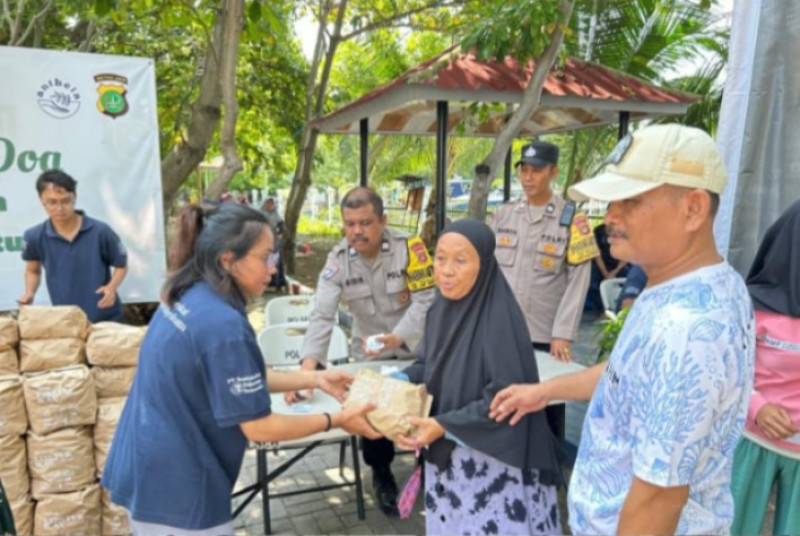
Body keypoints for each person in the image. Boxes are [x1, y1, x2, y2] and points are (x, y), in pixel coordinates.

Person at [490, 124, 755, 534]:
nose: (610, 216)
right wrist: (544, 392)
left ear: (694, 209)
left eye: (630, 200)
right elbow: (626, 372)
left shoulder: (684, 330)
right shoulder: (683, 284)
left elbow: (657, 500)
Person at [102, 202, 378, 535]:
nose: (272, 271)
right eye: (265, 258)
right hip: (179, 488)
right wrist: (337, 420)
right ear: (228, 260)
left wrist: (315, 377)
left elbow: (229, 379)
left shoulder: (186, 293)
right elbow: (259, 428)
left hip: (148, 466)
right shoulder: (223, 324)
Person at [395, 218, 563, 535]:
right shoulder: (439, 309)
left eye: (460, 260)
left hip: (493, 465)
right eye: (440, 258)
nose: (445, 270)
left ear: (483, 265)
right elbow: (427, 364)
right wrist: (397, 381)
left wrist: (442, 425)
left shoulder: (500, 320)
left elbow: (505, 399)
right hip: (447, 455)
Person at [290, 186, 436, 515]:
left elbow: (427, 299)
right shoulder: (338, 260)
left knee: (428, 405)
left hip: (416, 348)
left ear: (383, 220)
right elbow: (322, 314)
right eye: (349, 223)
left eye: (365, 222)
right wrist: (306, 371)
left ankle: (429, 467)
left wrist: (398, 337)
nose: (357, 231)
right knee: (370, 408)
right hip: (372, 355)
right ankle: (381, 472)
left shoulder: (410, 249)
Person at [489, 140, 596, 445]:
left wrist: (562, 332)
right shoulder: (504, 214)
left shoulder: (573, 219)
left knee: (549, 406)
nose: (528, 177)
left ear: (553, 172)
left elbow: (579, 279)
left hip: (545, 332)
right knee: (505, 398)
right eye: (524, 169)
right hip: (504, 328)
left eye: (536, 170)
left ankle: (550, 470)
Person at [730, 200, 800, 535]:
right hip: (753, 441)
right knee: (734, 528)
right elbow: (725, 372)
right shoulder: (754, 306)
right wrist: (756, 406)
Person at [19, 170, 128, 323]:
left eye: (65, 201)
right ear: (41, 200)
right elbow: (32, 270)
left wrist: (111, 288)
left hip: (105, 317)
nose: (59, 208)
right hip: (66, 319)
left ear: (74, 198)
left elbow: (121, 265)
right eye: (52, 202)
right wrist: (30, 293)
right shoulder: (34, 236)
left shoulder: (100, 231)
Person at [585, 221, 628, 312]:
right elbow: (596, 254)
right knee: (592, 280)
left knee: (630, 277)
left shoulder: (626, 230)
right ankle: (600, 310)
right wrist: (605, 273)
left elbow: (627, 255)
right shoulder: (598, 230)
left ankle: (620, 309)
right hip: (602, 265)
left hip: (619, 265)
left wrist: (615, 271)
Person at [260, 197, 288, 292]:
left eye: (271, 204)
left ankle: (278, 284)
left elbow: (283, 229)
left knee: (276, 263)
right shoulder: (260, 215)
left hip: (275, 242)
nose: (269, 206)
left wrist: (279, 234)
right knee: (263, 263)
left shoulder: (277, 216)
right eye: (268, 203)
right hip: (262, 242)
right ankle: (264, 284)